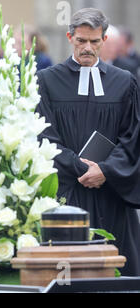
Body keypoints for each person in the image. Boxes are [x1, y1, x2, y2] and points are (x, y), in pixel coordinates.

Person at [36, 8, 140, 277]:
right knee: (66, 273)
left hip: (110, 191)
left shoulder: (124, 82)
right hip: (67, 191)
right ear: (70, 37)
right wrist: (79, 166)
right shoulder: (47, 80)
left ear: (104, 40)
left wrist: (105, 171)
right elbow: (43, 135)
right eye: (81, 40)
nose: (87, 48)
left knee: (118, 271)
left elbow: (133, 137)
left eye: (94, 41)